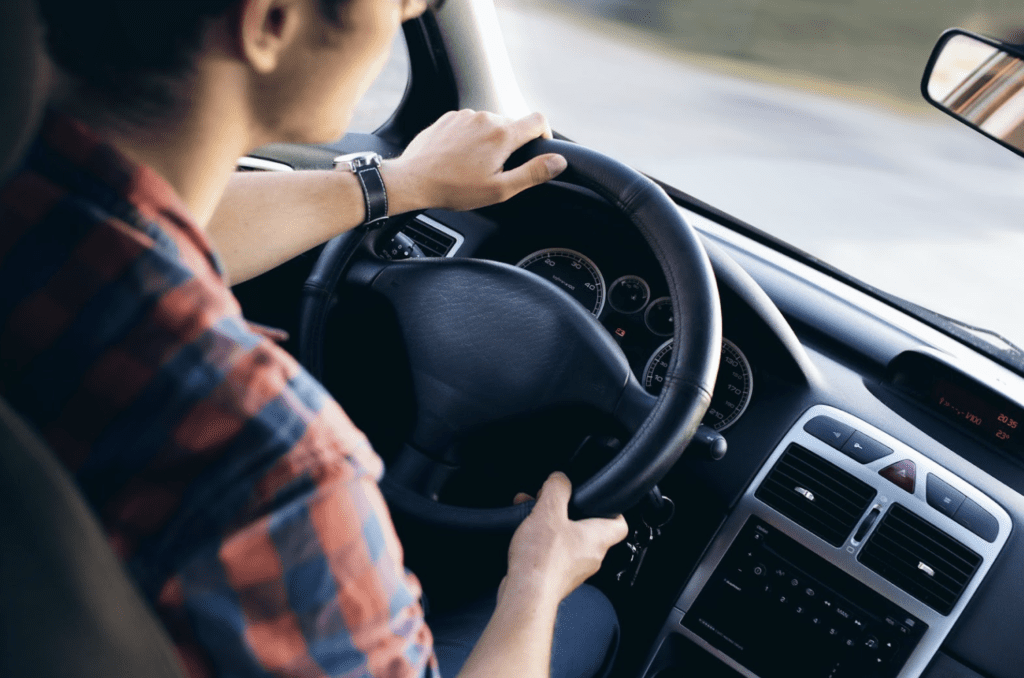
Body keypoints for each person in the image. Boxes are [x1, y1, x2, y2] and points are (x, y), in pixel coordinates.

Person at [0, 0, 628, 677]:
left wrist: (400, 183)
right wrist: (535, 581)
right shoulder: (274, 466)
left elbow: (152, 227)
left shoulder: (33, 204)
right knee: (585, 615)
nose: (412, 9)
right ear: (270, 20)